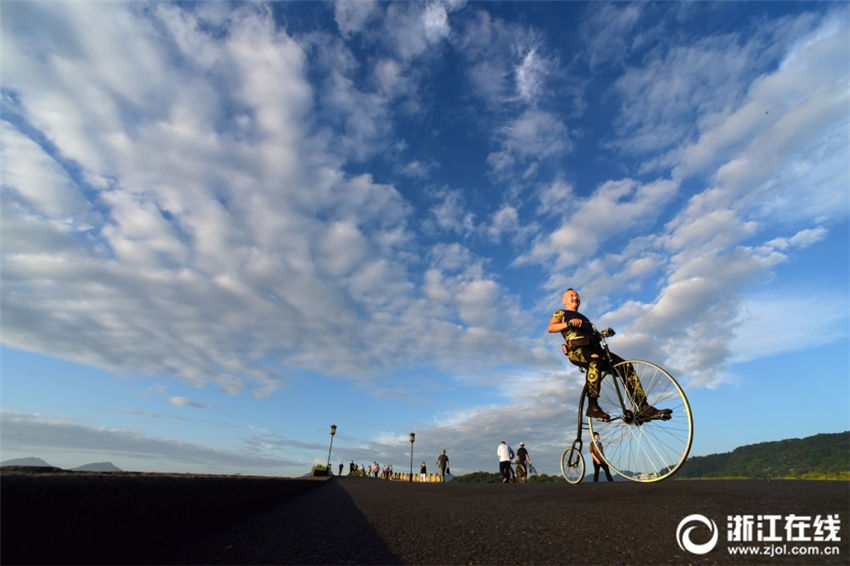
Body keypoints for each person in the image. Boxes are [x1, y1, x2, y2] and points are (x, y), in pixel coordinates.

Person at [548, 288, 664, 421]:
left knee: (626, 367)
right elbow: (551, 328)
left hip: (595, 349)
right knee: (595, 361)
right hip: (578, 350)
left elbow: (593, 336)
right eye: (571, 295)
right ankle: (593, 406)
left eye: (577, 295)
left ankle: (643, 406)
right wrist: (568, 323)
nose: (575, 297)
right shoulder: (561, 313)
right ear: (564, 301)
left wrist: (604, 332)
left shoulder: (585, 318)